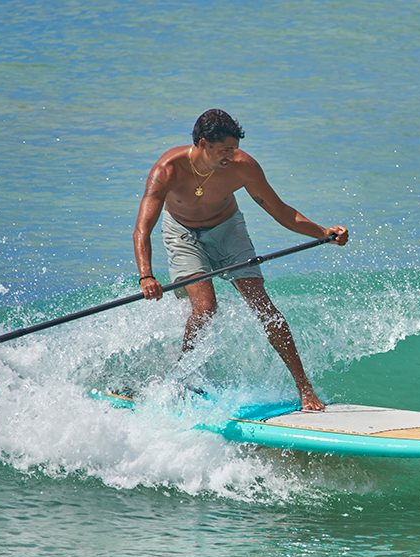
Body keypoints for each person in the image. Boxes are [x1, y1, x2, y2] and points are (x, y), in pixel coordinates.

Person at [133, 109, 348, 411]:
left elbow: (280, 210)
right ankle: (181, 382)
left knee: (262, 304)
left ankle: (305, 388)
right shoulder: (167, 170)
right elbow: (143, 228)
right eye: (224, 150)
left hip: (228, 228)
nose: (231, 156)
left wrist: (322, 233)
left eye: (233, 149)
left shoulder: (242, 167)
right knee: (205, 308)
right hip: (182, 234)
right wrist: (146, 275)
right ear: (203, 143)